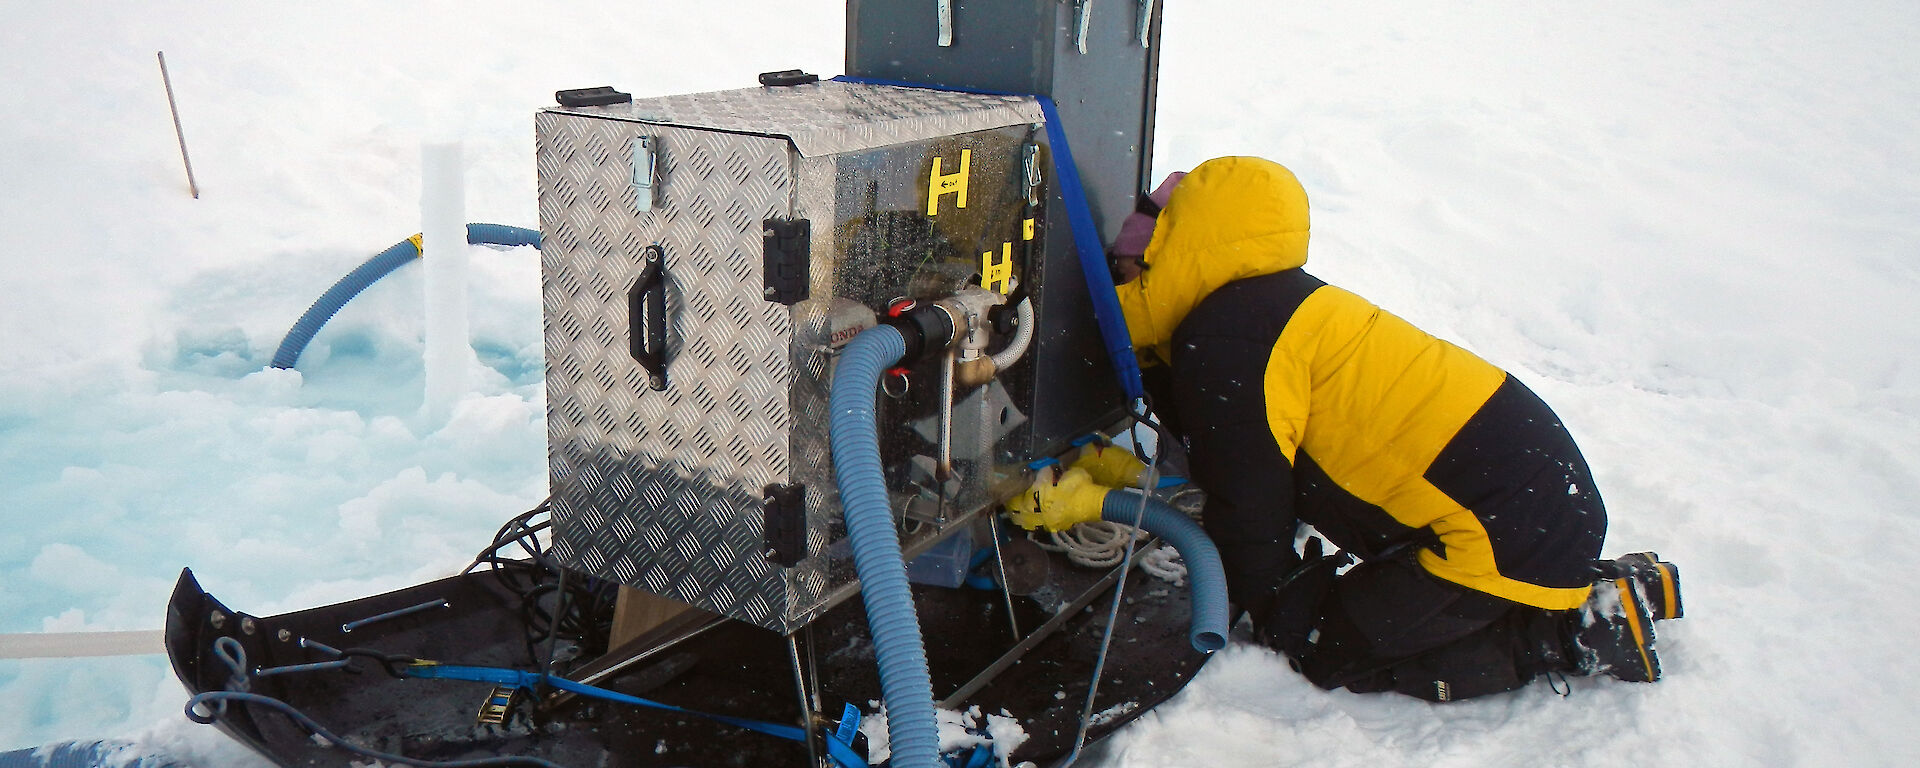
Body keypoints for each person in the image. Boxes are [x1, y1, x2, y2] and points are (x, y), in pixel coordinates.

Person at [1040, 156, 1682, 701]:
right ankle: (1584, 585)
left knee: (1324, 644)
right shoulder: (1267, 306)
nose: (1119, 284)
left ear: (1168, 258)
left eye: (1126, 271)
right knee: (1386, 600)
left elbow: (1250, 495)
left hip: (1499, 527)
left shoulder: (1223, 341)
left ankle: (1567, 635)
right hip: (1535, 494)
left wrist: (1274, 604)